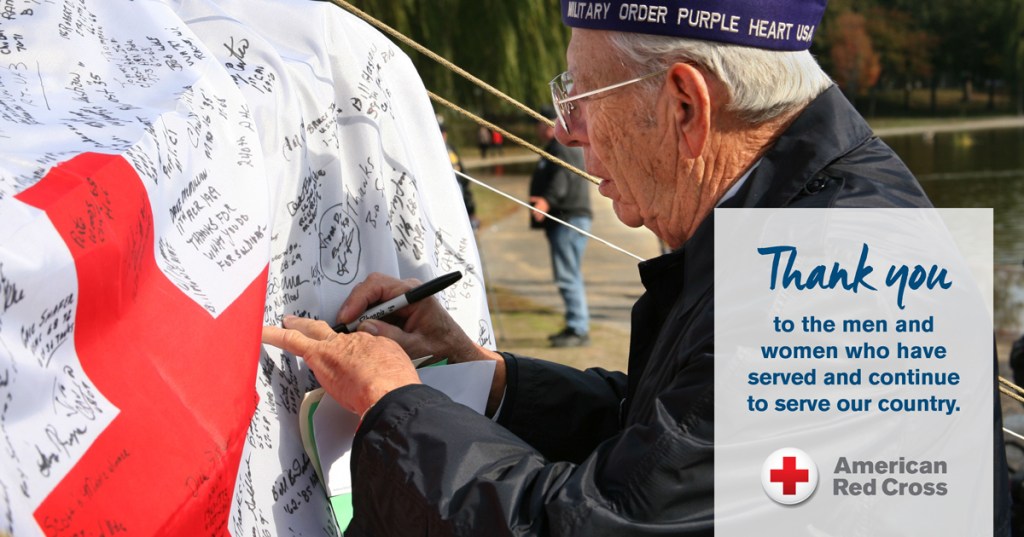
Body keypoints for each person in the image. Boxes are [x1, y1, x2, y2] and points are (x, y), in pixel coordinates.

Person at [262, 1, 1013, 534]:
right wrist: (489, 378)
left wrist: (396, 405)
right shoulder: (793, 214)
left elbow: (602, 521)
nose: (566, 130)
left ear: (686, 106)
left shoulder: (838, 283)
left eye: (581, 95)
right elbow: (672, 437)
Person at [528, 106, 592, 347]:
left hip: (568, 219)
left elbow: (562, 177)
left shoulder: (560, 146)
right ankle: (575, 324)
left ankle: (578, 328)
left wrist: (547, 201)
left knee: (567, 275)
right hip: (568, 219)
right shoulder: (560, 146)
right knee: (569, 273)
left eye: (538, 124)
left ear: (547, 123)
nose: (537, 129)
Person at [441, 122, 479, 230]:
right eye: (440, 132)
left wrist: (471, 208)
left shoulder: (451, 148)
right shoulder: (432, 152)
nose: (443, 135)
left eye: (444, 132)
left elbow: (462, 174)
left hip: (459, 188)